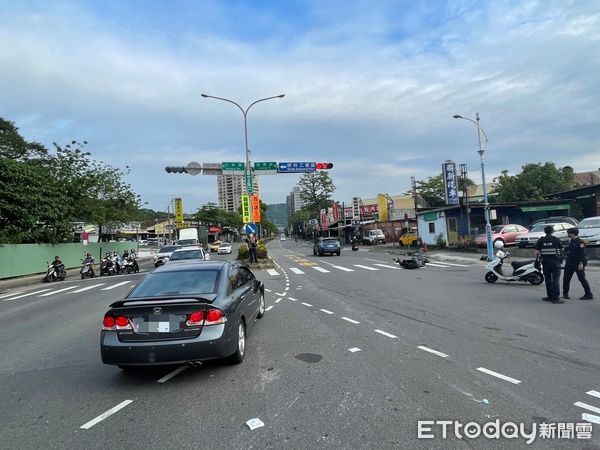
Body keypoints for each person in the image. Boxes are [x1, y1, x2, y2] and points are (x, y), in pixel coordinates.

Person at [534, 225, 563, 303]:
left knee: (548, 279)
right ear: (552, 231)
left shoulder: (541, 240)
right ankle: (556, 298)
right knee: (556, 280)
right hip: (555, 262)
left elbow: (536, 252)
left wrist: (536, 261)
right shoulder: (556, 240)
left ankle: (549, 296)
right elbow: (562, 249)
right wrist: (561, 258)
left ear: (545, 232)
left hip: (545, 263)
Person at [563, 227, 593, 300]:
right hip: (570, 262)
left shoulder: (580, 242)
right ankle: (565, 293)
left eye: (569, 233)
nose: (568, 235)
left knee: (581, 278)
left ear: (572, 234)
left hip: (577, 262)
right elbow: (570, 248)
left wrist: (581, 263)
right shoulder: (572, 241)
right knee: (566, 278)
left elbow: (582, 253)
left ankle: (588, 294)